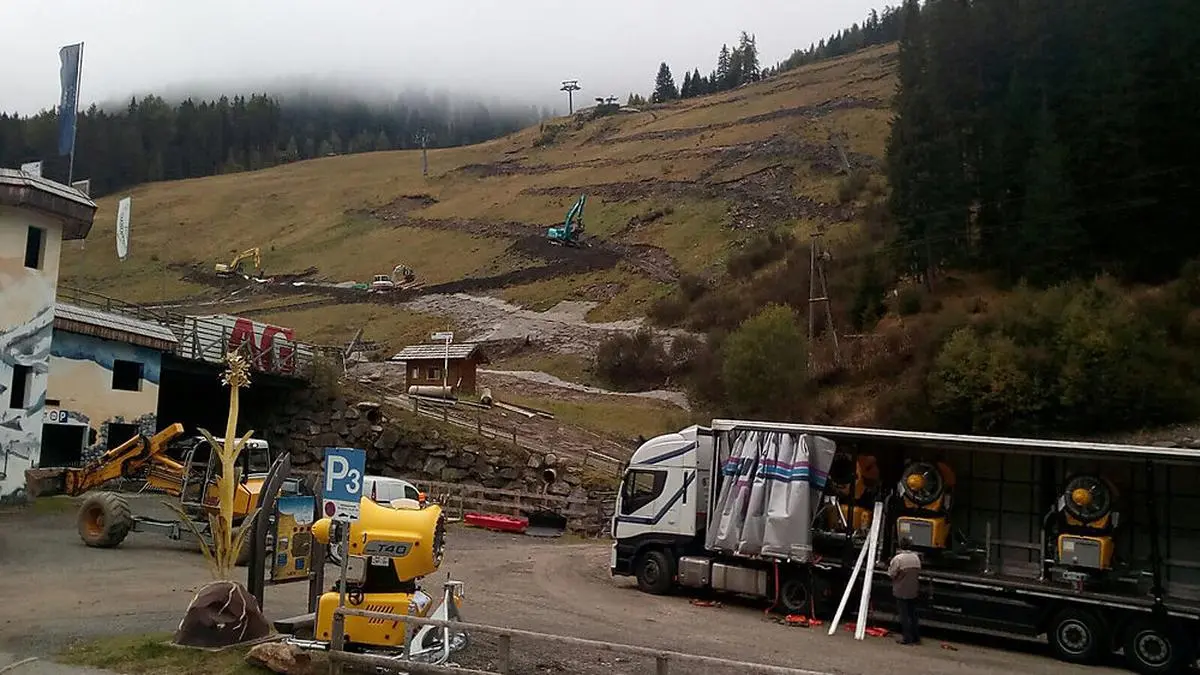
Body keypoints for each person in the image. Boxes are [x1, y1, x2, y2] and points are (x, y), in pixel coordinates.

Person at [888, 537, 922, 645]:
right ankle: (916, 637)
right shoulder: (916, 558)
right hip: (913, 590)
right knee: (913, 615)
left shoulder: (898, 559)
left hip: (901, 590)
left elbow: (891, 573)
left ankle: (907, 638)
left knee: (904, 615)